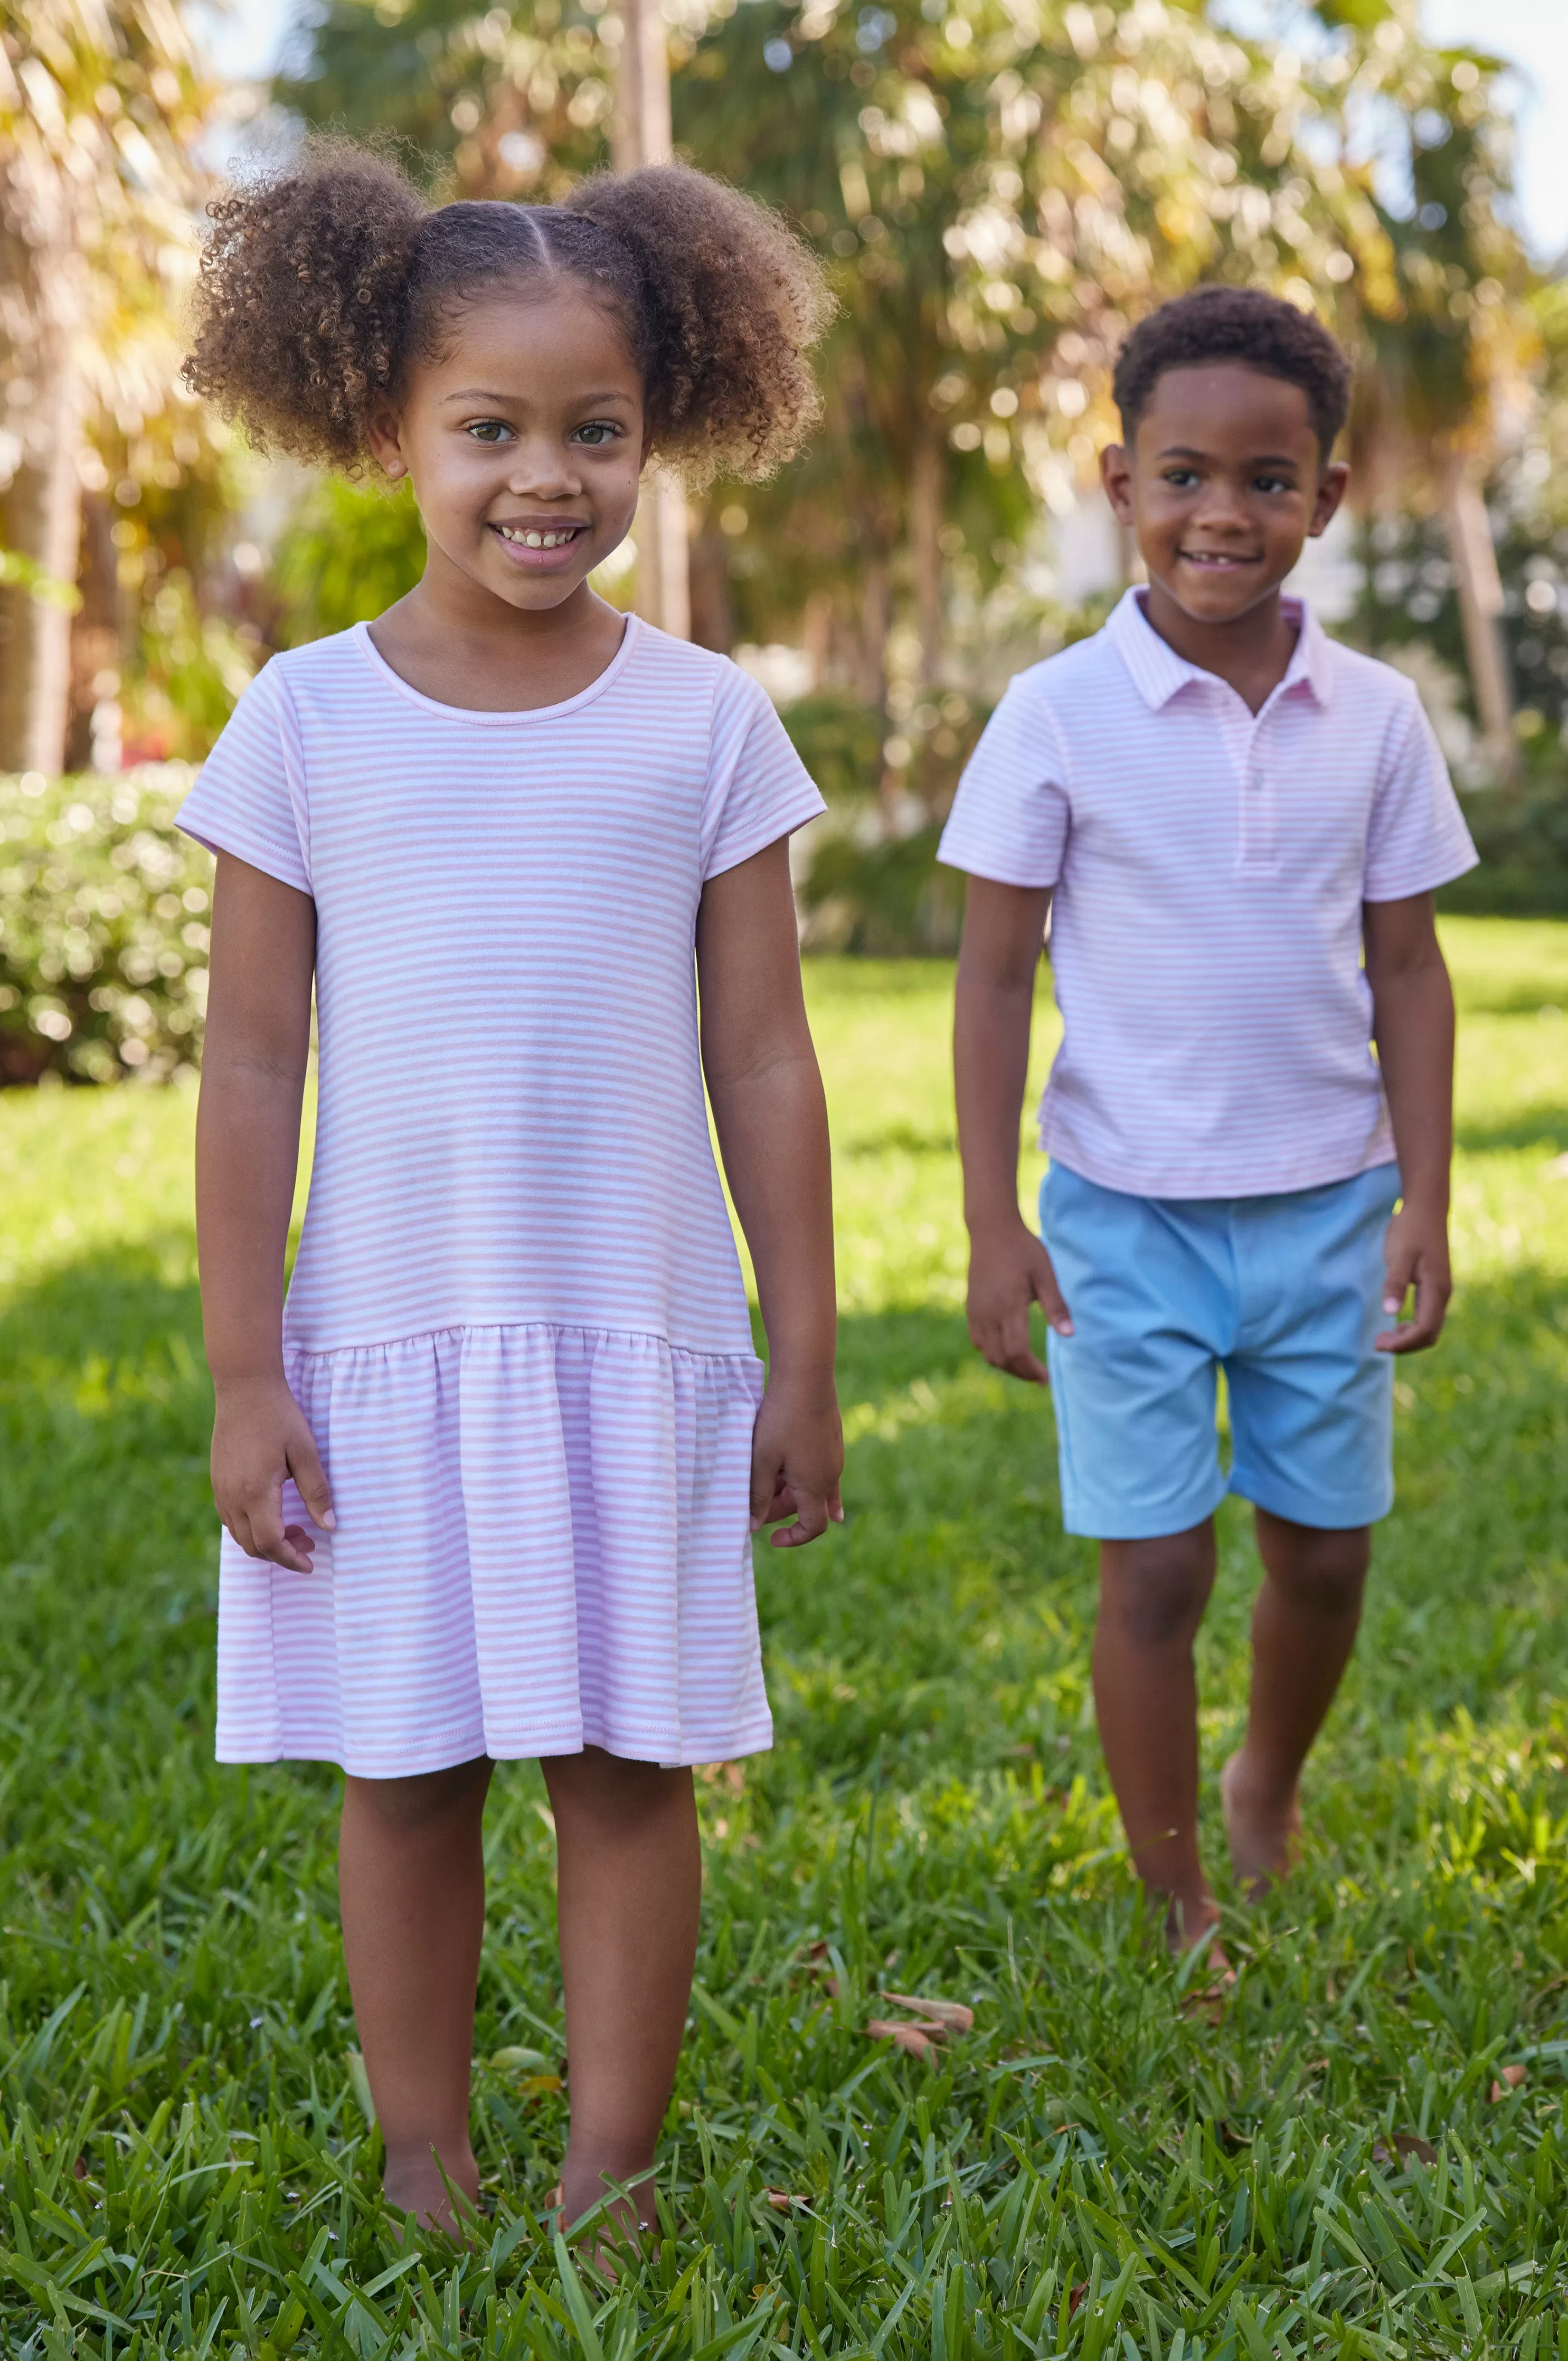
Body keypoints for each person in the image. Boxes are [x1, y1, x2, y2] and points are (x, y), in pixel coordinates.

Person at [177, 143, 844, 2239]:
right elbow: (253, 1056)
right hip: (385, 1336)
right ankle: (425, 2151)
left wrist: (803, 1343)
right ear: (388, 427)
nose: (542, 476)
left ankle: (612, 2163)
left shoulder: (708, 722)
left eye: (596, 431)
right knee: (409, 1759)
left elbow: (764, 1051)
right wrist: (238, 1363)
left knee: (631, 1758)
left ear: (662, 434)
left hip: (631, 1331)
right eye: (490, 428)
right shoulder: (303, 720)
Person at [941, 286, 1476, 1967]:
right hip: (1123, 1218)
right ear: (1118, 481)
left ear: (1329, 495)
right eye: (1184, 474)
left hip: (1333, 1205)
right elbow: (991, 981)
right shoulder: (1055, 713)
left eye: (1267, 479)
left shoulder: (1378, 717)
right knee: (1154, 1571)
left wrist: (1428, 1200)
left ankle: (1268, 1783)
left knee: (1325, 1556)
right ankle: (1176, 1897)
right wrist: (991, 1222)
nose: (1221, 514)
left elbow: (1409, 969)